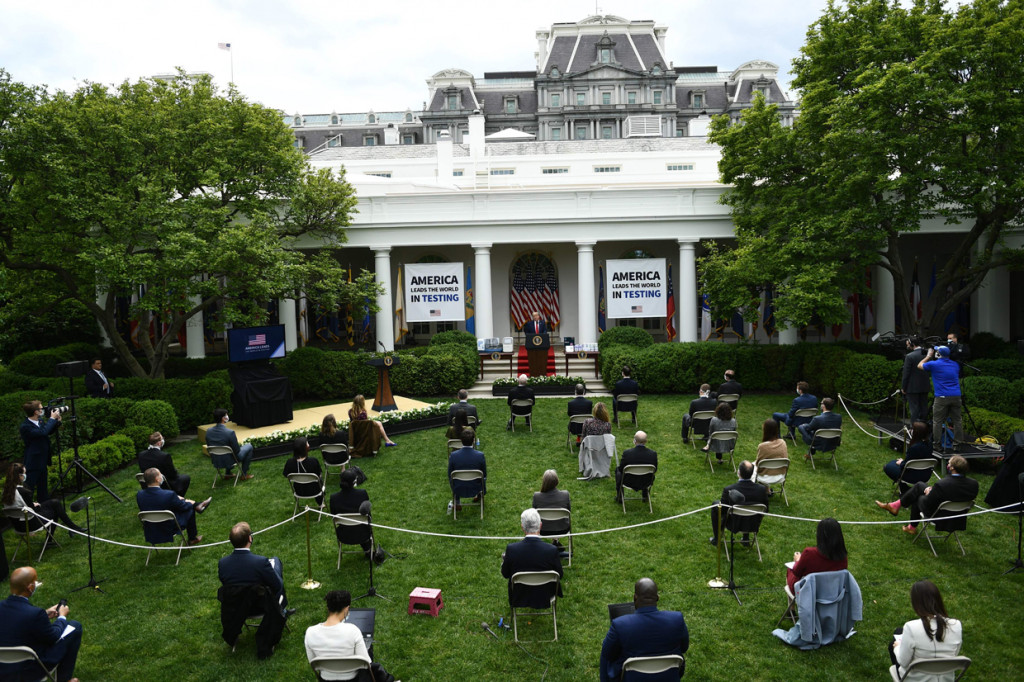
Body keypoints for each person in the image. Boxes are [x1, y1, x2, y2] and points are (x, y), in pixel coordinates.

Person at [0, 566, 83, 682]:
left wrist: (44, 614)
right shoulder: (34, 614)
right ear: (29, 588)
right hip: (31, 671)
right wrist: (62, 617)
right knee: (75, 626)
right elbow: (54, 636)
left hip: (3, 670)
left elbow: (15, 620)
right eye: (35, 582)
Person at [599, 577, 688, 682]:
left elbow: (607, 655)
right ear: (657, 598)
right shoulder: (677, 619)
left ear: (634, 598)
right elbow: (684, 648)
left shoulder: (620, 625)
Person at [305, 589, 394, 682]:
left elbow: (313, 663)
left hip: (325, 679)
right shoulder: (353, 630)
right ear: (347, 608)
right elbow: (366, 662)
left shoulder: (310, 632)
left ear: (328, 608)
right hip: (353, 679)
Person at [875, 455, 979, 533]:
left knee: (918, 496)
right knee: (920, 485)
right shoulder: (974, 484)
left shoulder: (942, 484)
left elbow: (930, 502)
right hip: (957, 517)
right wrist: (933, 490)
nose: (947, 465)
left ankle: (906, 521)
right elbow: (954, 492)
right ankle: (897, 508)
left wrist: (930, 492)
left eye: (949, 463)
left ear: (952, 468)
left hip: (939, 516)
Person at [218, 521, 294, 618]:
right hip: (262, 606)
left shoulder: (223, 563)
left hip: (237, 607)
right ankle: (281, 610)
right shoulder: (261, 562)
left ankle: (282, 610)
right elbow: (277, 586)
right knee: (275, 563)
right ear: (250, 539)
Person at [889, 580, 963, 675]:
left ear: (916, 603)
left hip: (916, 679)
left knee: (894, 643)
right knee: (899, 631)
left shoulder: (911, 627)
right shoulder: (956, 625)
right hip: (945, 679)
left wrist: (897, 647)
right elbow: (954, 654)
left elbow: (903, 662)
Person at [500, 508, 563, 609]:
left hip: (519, 595)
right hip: (545, 595)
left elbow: (505, 574)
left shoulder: (512, 549)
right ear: (540, 525)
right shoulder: (552, 550)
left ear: (522, 527)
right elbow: (560, 575)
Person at [2, 462, 85, 537]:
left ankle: (72, 528)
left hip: (18, 526)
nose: (25, 475)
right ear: (19, 476)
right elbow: (34, 510)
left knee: (54, 503)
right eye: (24, 473)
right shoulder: (22, 491)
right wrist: (36, 505)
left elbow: (19, 506)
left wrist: (32, 505)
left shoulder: (6, 492)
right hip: (31, 524)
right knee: (55, 508)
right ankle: (69, 530)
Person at [136, 467, 210, 546]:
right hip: (169, 527)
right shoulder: (168, 494)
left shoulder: (140, 494)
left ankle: (197, 505)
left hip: (151, 529)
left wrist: (177, 499)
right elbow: (184, 507)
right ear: (157, 479)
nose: (162, 476)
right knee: (190, 509)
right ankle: (192, 538)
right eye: (160, 474)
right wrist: (190, 502)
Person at [709, 461, 769, 546]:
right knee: (748, 507)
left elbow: (722, 511)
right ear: (752, 474)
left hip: (734, 524)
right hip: (752, 523)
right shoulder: (762, 490)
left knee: (716, 505)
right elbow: (766, 510)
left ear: (738, 473)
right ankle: (746, 539)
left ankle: (716, 539)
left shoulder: (729, 489)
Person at [919, 346, 963, 452]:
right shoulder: (955, 365)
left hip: (941, 397)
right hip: (956, 396)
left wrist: (928, 356)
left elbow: (919, 365)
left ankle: (936, 445)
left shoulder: (934, 364)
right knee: (957, 421)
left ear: (938, 354)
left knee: (937, 421)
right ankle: (957, 445)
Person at [786, 517, 848, 593]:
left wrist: (797, 560)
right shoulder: (843, 557)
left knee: (790, 570)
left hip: (807, 593)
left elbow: (797, 572)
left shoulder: (809, 553)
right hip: (831, 594)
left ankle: (792, 604)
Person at [19, 399, 62, 502]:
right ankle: (29, 510)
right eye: (41, 408)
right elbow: (42, 433)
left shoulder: (40, 421)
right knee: (29, 488)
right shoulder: (25, 426)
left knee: (43, 489)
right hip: (33, 462)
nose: (43, 410)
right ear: (36, 412)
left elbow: (47, 432)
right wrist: (52, 419)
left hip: (43, 460)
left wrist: (57, 422)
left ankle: (44, 508)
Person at [883, 421, 936, 494]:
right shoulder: (929, 445)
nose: (911, 431)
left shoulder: (914, 448)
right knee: (893, 463)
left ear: (917, 432)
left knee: (888, 466)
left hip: (911, 476)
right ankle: (906, 488)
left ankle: (904, 488)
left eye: (912, 429)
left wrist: (901, 462)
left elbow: (905, 465)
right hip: (925, 475)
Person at [330, 469, 372, 556]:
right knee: (361, 525)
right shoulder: (362, 494)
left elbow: (333, 516)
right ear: (354, 482)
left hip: (344, 535)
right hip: (363, 534)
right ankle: (368, 549)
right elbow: (368, 515)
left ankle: (367, 549)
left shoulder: (334, 498)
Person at [206, 408, 255, 481]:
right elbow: (237, 451)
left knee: (227, 451)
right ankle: (244, 474)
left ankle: (228, 474)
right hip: (230, 460)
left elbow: (209, 445)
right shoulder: (230, 432)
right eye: (226, 415)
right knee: (249, 446)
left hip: (216, 459)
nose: (227, 416)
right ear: (223, 418)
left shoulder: (208, 431)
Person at [137, 431, 190, 497]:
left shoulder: (141, 455)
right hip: (163, 486)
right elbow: (173, 475)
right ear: (159, 443)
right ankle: (177, 499)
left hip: (148, 485)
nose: (163, 440)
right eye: (163, 438)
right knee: (185, 478)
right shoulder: (164, 456)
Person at [532, 469, 570, 550]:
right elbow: (569, 512)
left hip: (543, 530)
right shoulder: (565, 495)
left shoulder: (537, 496)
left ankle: (554, 542)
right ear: (557, 481)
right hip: (563, 529)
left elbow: (534, 516)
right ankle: (555, 541)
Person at [615, 431, 657, 503]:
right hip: (646, 482)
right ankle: (645, 495)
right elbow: (655, 470)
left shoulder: (627, 453)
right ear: (646, 441)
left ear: (634, 441)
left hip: (628, 481)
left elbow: (621, 469)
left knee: (617, 471)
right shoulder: (652, 454)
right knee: (649, 474)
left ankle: (620, 497)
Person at [448, 428, 486, 508]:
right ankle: (480, 495)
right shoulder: (480, 456)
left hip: (458, 488)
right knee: (483, 478)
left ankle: (457, 501)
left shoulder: (453, 456)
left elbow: (450, 475)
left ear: (461, 440)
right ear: (473, 441)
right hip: (476, 488)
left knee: (452, 479)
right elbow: (484, 474)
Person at [282, 437, 324, 507]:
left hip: (299, 491)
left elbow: (286, 475)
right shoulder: (313, 461)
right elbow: (319, 475)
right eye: (307, 443)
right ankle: (321, 503)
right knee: (319, 481)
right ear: (305, 448)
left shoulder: (289, 462)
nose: (309, 444)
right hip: (314, 491)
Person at [753, 418, 789, 493]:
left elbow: (758, 466)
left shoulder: (762, 446)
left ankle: (750, 490)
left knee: (748, 467)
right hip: (780, 475)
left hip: (765, 477)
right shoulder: (783, 442)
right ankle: (767, 490)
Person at [901, 337, 931, 424]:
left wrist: (903, 387)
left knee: (914, 409)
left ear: (912, 344)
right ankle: (923, 428)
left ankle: (914, 429)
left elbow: (906, 373)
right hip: (925, 386)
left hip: (912, 387)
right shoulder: (927, 355)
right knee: (924, 408)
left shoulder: (910, 356)